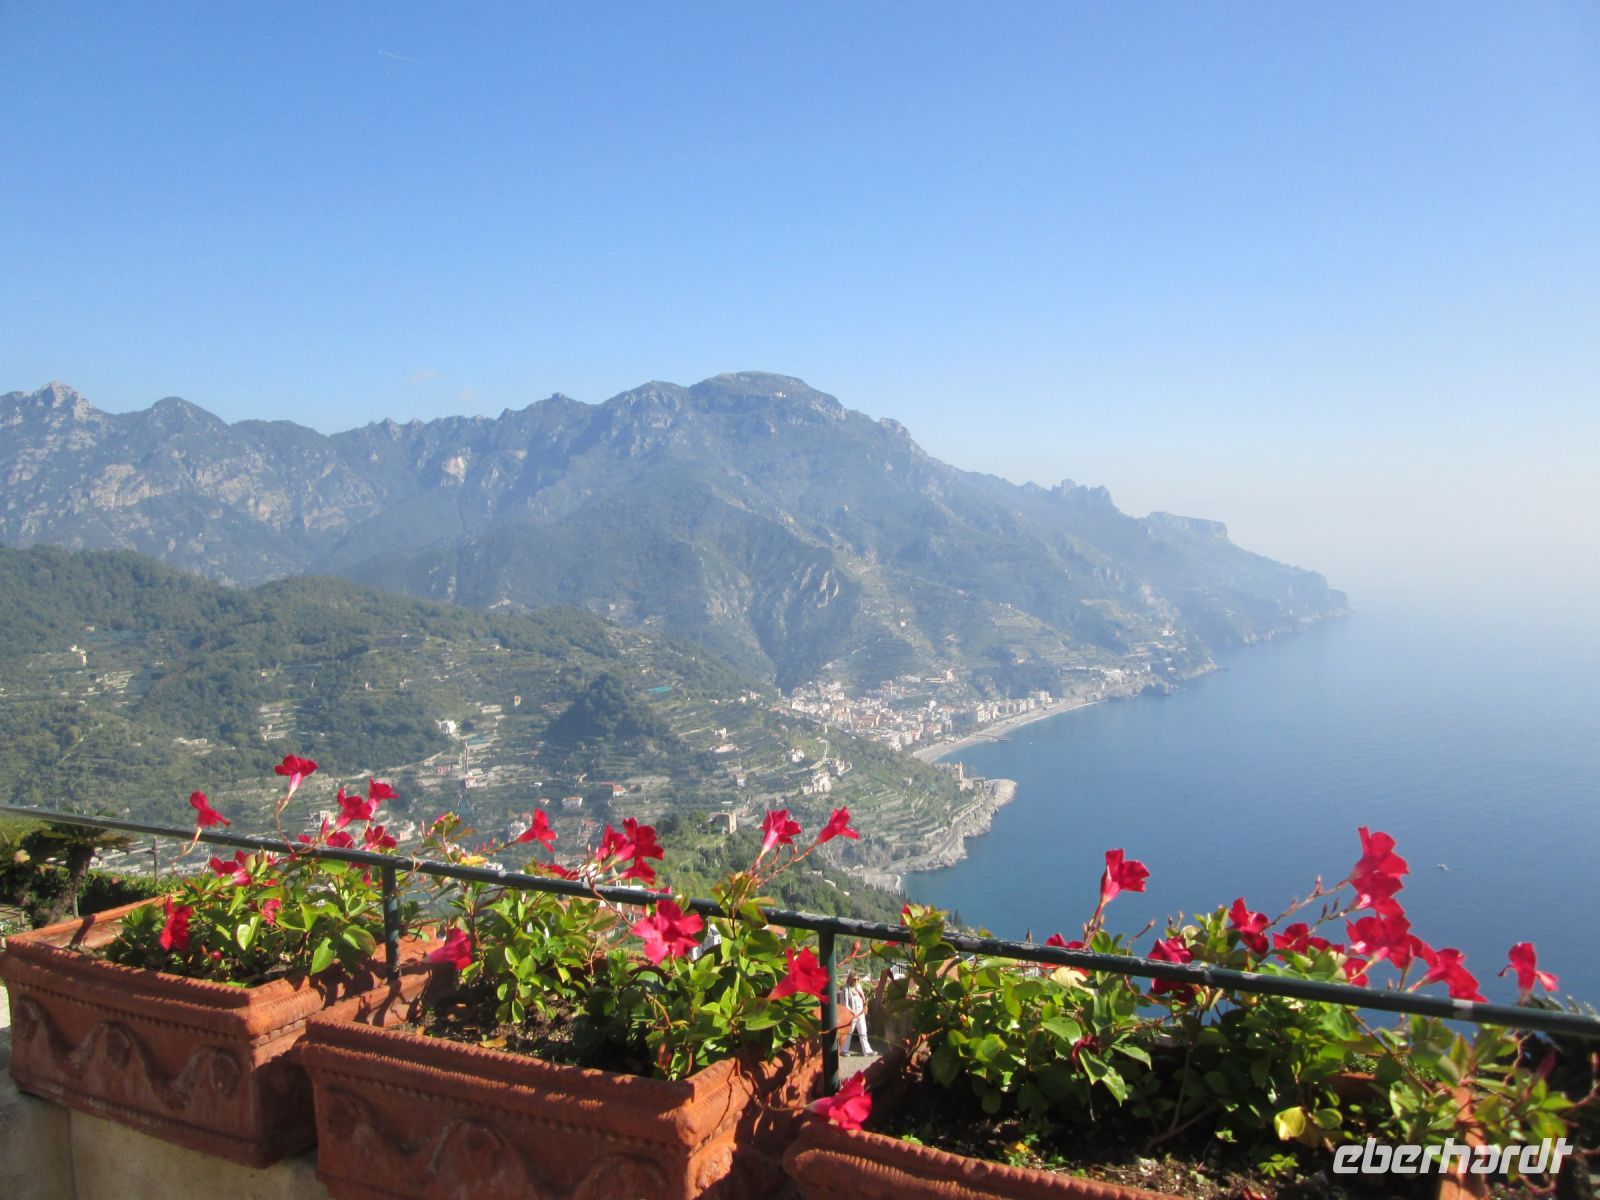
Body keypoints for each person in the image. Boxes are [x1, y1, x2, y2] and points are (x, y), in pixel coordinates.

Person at [836, 970, 872, 1055]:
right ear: (850, 979)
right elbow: (846, 1004)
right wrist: (853, 1013)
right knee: (849, 1032)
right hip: (851, 1014)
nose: (856, 981)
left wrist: (865, 1006)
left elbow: (863, 998)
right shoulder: (846, 988)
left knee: (863, 1031)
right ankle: (844, 1050)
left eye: (857, 979)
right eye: (854, 979)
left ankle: (867, 1051)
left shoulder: (859, 987)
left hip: (860, 1013)